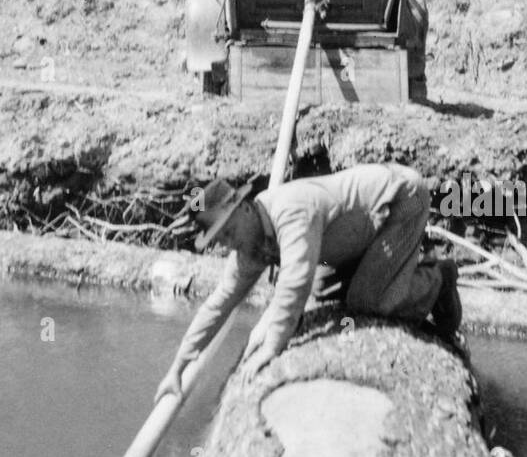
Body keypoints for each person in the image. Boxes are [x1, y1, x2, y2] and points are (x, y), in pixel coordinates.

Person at [155, 162, 460, 402]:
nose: (228, 244)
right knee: (322, 289)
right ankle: (385, 273)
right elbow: (219, 303)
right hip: (360, 228)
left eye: (229, 232)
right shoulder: (249, 240)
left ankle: (438, 278)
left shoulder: (290, 210)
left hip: (401, 200)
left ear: (244, 209)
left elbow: (294, 283)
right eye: (221, 239)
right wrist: (177, 368)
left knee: (367, 301)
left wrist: (272, 345)